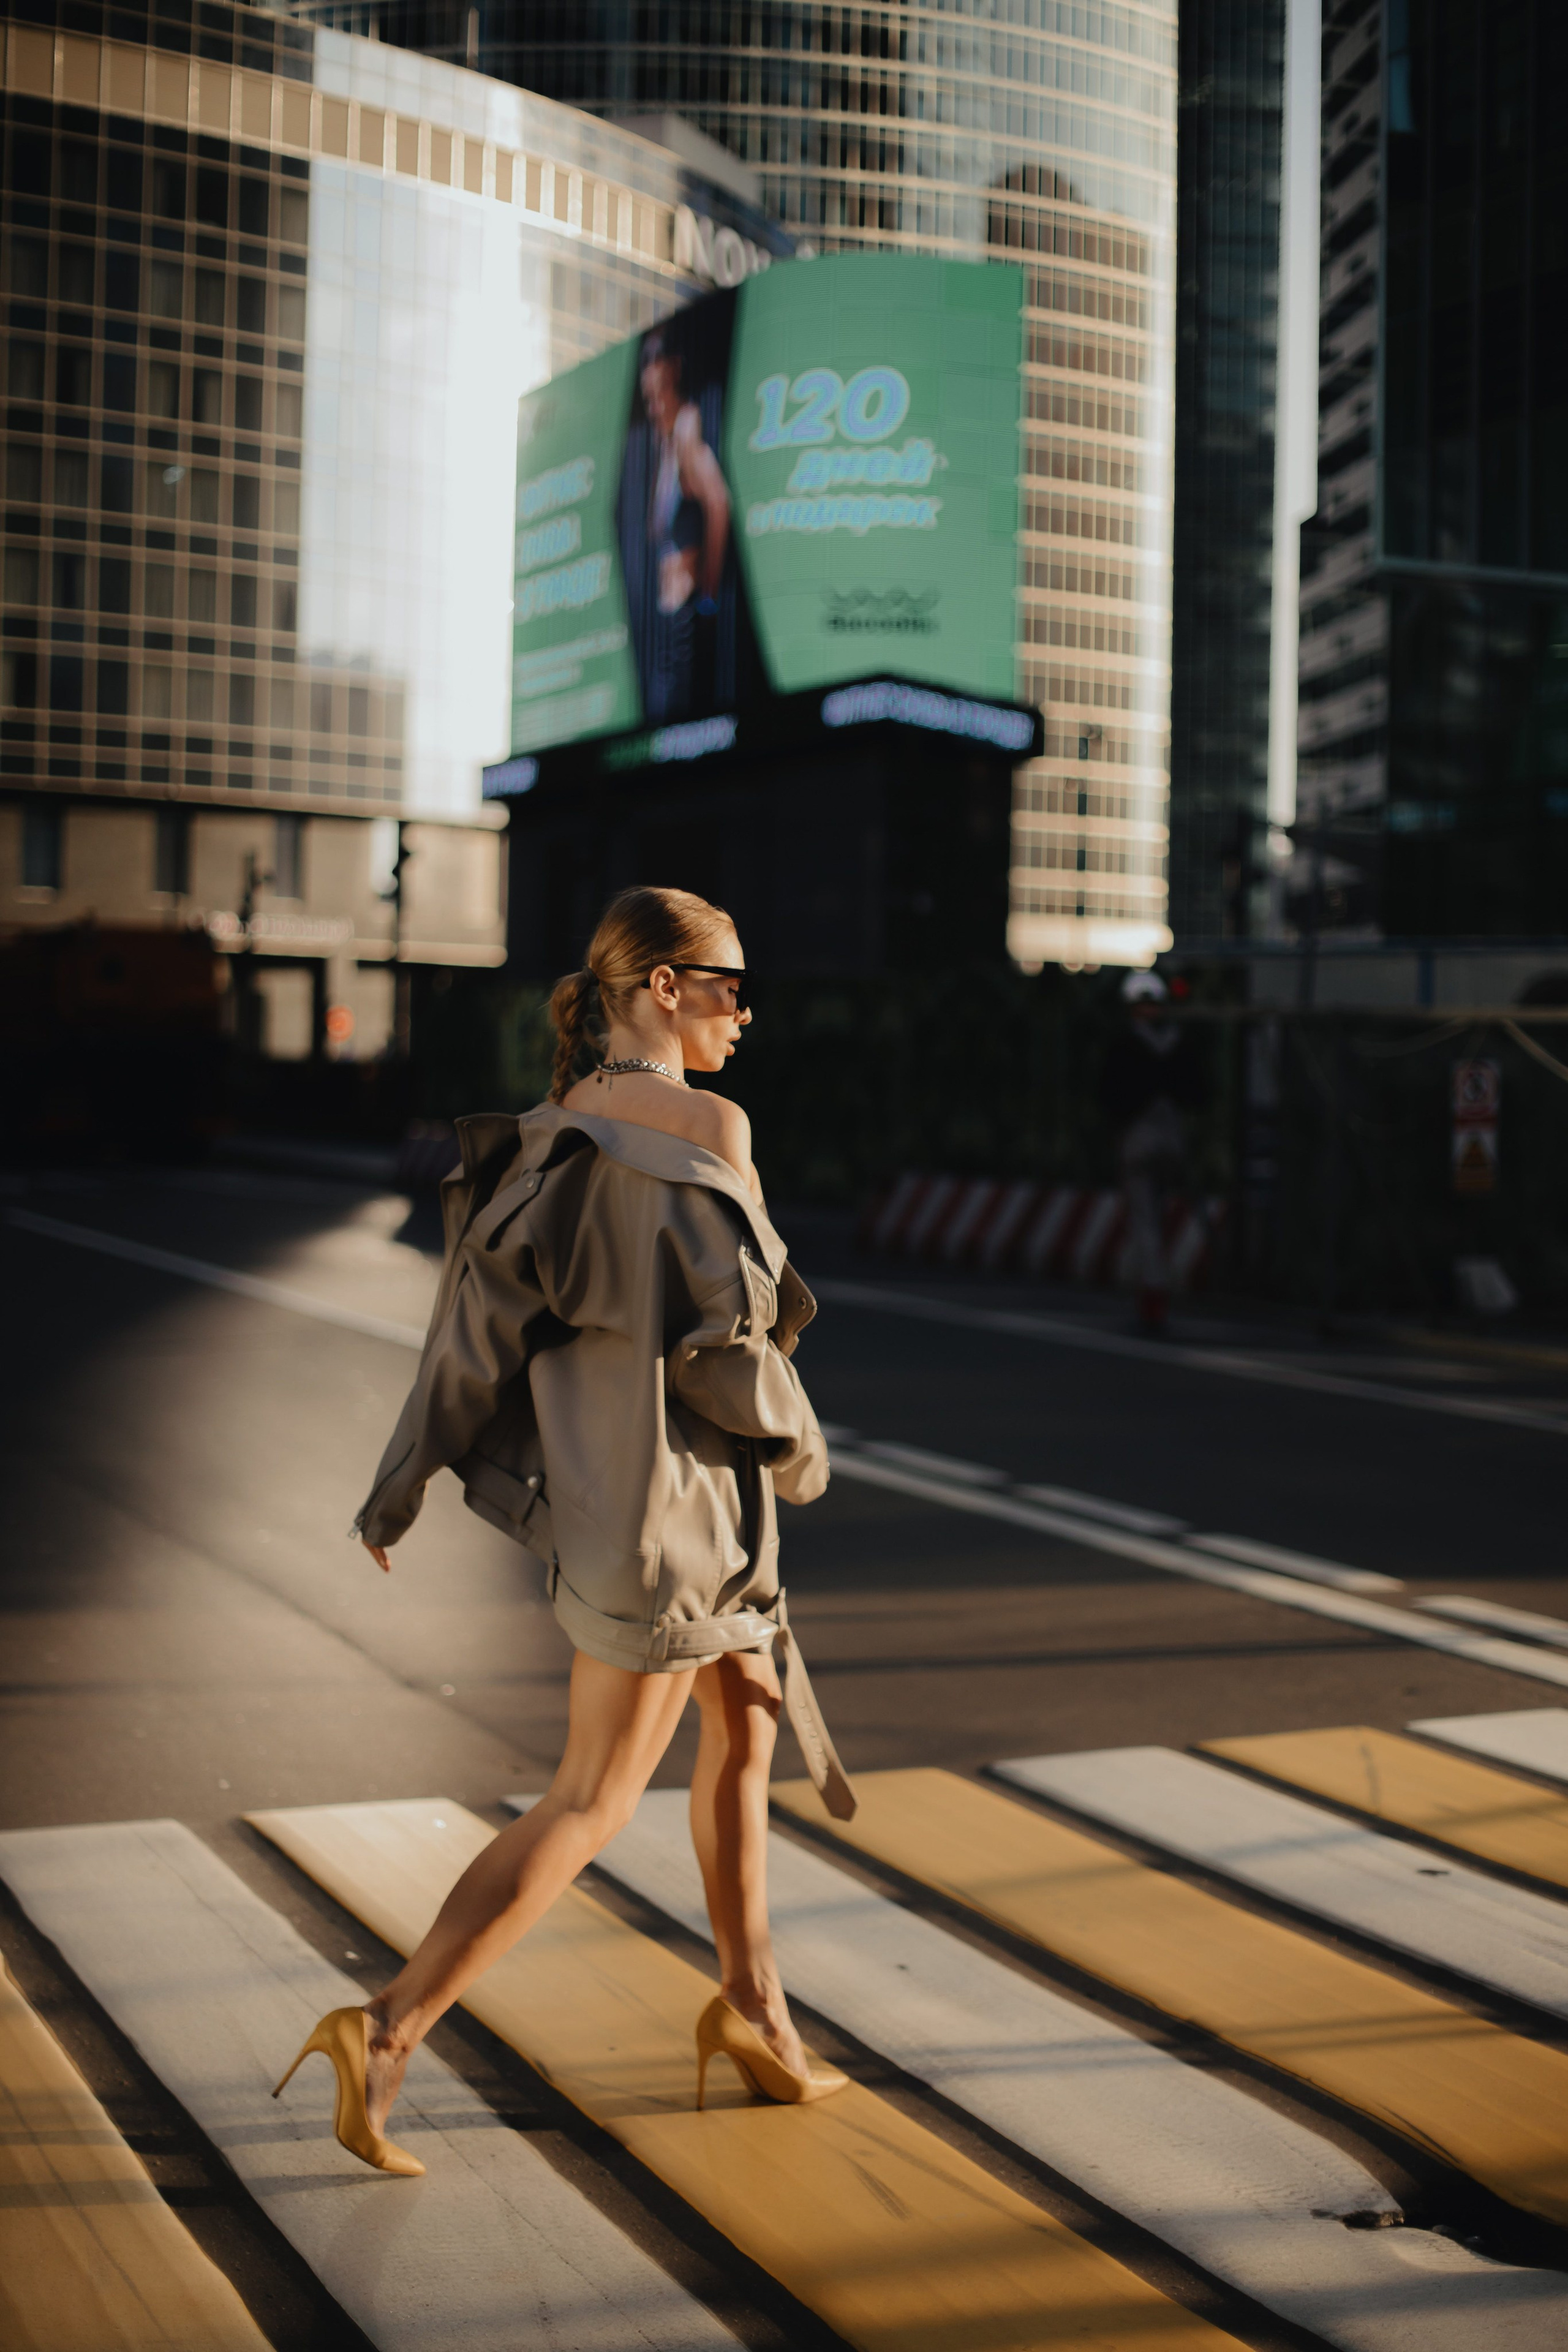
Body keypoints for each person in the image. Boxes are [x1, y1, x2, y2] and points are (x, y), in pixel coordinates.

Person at [273, 887, 853, 2176]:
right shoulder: (708, 1125)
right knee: (589, 1798)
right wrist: (806, 1452)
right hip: (682, 1517)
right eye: (726, 984)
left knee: (745, 1721)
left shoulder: (547, 1132)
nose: (742, 1011)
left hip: (618, 1513)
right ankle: (390, 2025)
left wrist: (399, 1483)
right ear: (657, 988)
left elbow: (466, 1339)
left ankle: (756, 2013)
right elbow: (729, 1349)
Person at [1101, 971, 1206, 1335]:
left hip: (1140, 1137)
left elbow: (1111, 1095)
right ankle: (1155, 1287)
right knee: (1157, 1217)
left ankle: (1153, 1296)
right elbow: (1199, 1091)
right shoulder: (1179, 1043)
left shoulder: (1127, 1045)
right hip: (1173, 1136)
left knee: (1145, 1219)